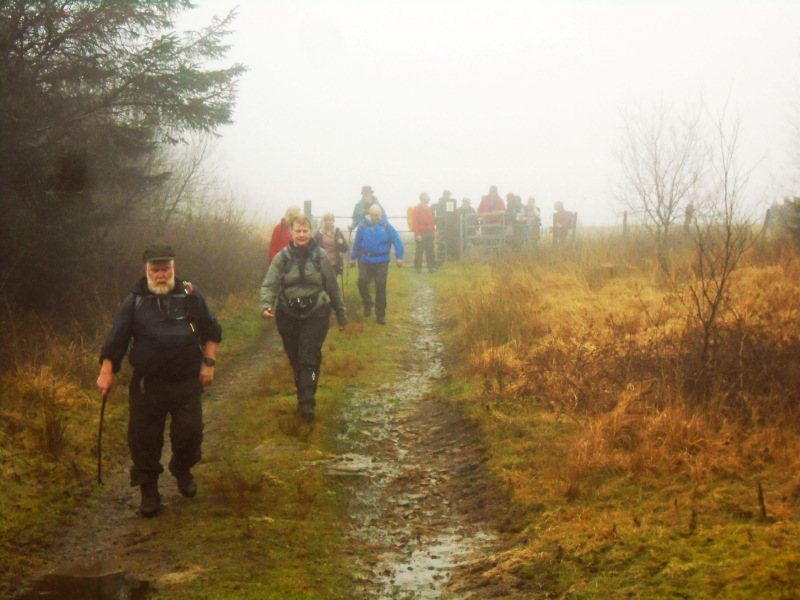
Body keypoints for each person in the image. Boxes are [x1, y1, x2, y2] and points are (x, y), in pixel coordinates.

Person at [96, 244, 222, 518]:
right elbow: (116, 339)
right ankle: (149, 491)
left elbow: (211, 330)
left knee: (190, 433)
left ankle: (182, 469)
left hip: (186, 381)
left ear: (174, 268)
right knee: (144, 440)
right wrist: (106, 372)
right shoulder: (135, 301)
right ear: (147, 271)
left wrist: (208, 363)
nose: (161, 274)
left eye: (166, 268)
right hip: (147, 385)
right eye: (156, 269)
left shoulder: (190, 296)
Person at [260, 213, 347, 423]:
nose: (301, 235)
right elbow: (270, 283)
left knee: (309, 356)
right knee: (296, 358)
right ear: (291, 232)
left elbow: (332, 287)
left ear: (310, 232)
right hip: (288, 314)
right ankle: (304, 392)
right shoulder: (282, 257)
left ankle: (307, 402)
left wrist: (341, 314)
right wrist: (266, 305)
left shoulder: (320, 256)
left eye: (305, 231)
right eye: (297, 231)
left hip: (316, 312)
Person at [350, 203, 404, 325]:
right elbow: (357, 242)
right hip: (365, 260)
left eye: (377, 215)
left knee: (380, 286)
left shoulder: (386, 226)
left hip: (382, 261)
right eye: (372, 215)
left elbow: (397, 241)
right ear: (369, 214)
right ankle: (368, 302)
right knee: (362, 283)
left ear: (381, 214)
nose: (375, 217)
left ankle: (380, 315)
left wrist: (399, 257)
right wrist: (353, 258)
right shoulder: (363, 225)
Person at [411, 192, 436, 273]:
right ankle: (418, 268)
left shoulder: (428, 209)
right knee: (419, 251)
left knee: (430, 250)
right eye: (427, 197)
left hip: (429, 232)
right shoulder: (417, 208)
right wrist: (417, 234)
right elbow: (414, 222)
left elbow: (432, 221)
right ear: (423, 198)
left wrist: (434, 230)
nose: (429, 198)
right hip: (421, 232)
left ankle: (430, 267)